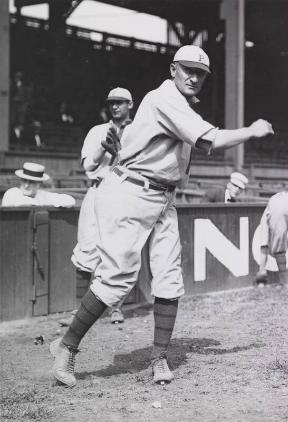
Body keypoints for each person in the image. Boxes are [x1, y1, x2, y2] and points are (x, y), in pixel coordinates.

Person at [49, 44, 274, 387]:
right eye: (188, 70)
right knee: (118, 280)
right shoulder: (162, 98)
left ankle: (159, 358)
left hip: (162, 197)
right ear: (173, 70)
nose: (194, 77)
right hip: (130, 192)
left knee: (169, 278)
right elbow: (208, 141)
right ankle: (66, 348)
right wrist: (252, 131)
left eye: (200, 73)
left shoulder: (181, 104)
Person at [71, 87, 133, 325]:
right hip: (98, 190)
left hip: (125, 193)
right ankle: (80, 310)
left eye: (120, 102)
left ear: (131, 104)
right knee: (86, 249)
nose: (115, 106)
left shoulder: (140, 131)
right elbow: (88, 166)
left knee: (119, 251)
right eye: (111, 103)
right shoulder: (98, 130)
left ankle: (115, 308)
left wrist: (119, 155)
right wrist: (102, 148)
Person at [1, 162, 76, 207]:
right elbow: (22, 202)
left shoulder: (41, 195)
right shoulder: (12, 192)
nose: (26, 185)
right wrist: (44, 203)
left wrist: (46, 201)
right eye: (24, 181)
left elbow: (70, 201)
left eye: (31, 182)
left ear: (39, 184)